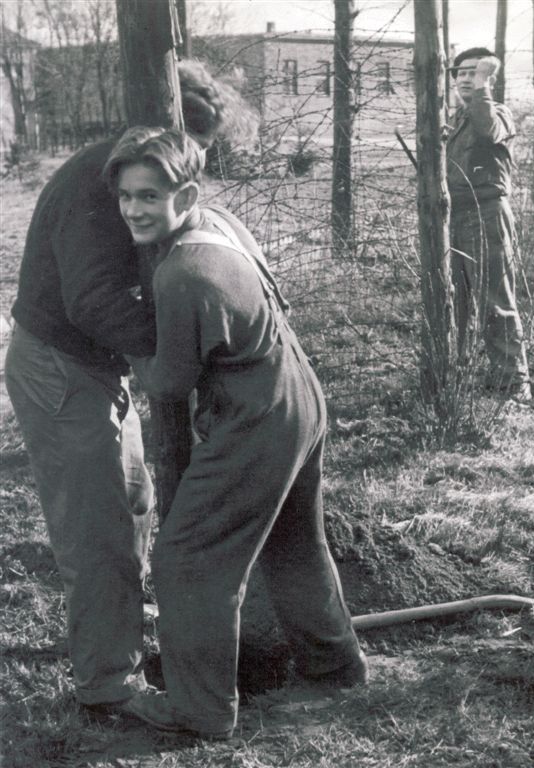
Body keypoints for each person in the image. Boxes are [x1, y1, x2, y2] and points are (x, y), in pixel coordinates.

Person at [4, 60, 257, 710]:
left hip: (92, 366)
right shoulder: (99, 183)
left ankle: (120, 632)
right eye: (195, 146)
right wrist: (174, 342)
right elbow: (92, 301)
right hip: (59, 368)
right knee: (99, 530)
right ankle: (109, 683)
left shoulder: (133, 171)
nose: (193, 164)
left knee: (135, 501)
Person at [101, 127, 368, 739]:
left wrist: (128, 336)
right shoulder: (218, 222)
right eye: (125, 196)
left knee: (188, 558)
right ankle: (336, 669)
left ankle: (199, 709)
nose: (134, 209)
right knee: (295, 541)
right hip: (300, 393)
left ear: (187, 192)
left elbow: (169, 383)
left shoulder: (183, 272)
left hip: (256, 417)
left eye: (150, 195)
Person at [447, 47, 531, 401]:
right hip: (453, 217)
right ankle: (458, 378)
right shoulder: (456, 122)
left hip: (486, 215)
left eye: (474, 73)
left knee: (495, 300)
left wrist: (483, 86)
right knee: (455, 301)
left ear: (487, 79)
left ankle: (513, 385)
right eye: (461, 73)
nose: (466, 79)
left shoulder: (496, 112)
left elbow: (488, 130)